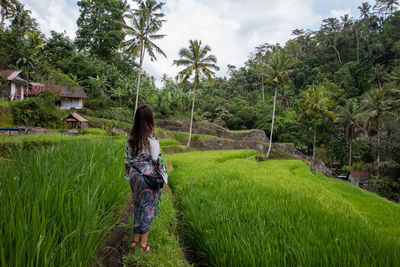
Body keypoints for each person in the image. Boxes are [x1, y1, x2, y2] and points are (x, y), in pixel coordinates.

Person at [124, 104, 168, 252]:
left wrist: (129, 174)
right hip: (148, 176)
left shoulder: (131, 135)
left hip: (134, 176)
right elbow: (156, 158)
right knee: (147, 208)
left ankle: (134, 240)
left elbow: (128, 158)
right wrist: (163, 173)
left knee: (137, 206)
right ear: (150, 118)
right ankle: (143, 245)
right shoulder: (152, 135)